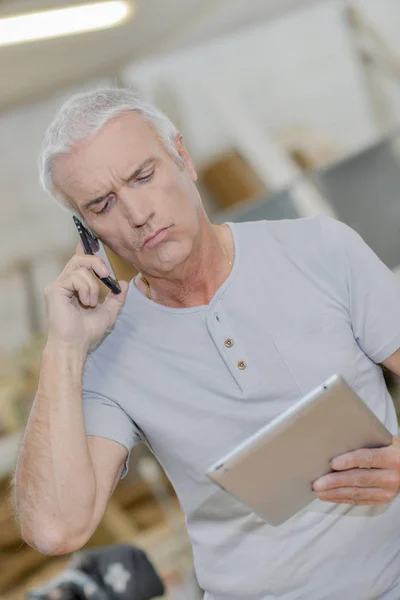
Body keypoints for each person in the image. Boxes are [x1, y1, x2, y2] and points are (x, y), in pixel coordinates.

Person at [13, 87, 400, 600]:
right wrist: (64, 349)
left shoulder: (321, 249)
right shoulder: (107, 349)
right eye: (102, 205)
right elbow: (55, 529)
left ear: (184, 159)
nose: (136, 214)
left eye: (142, 176)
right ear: (88, 233)